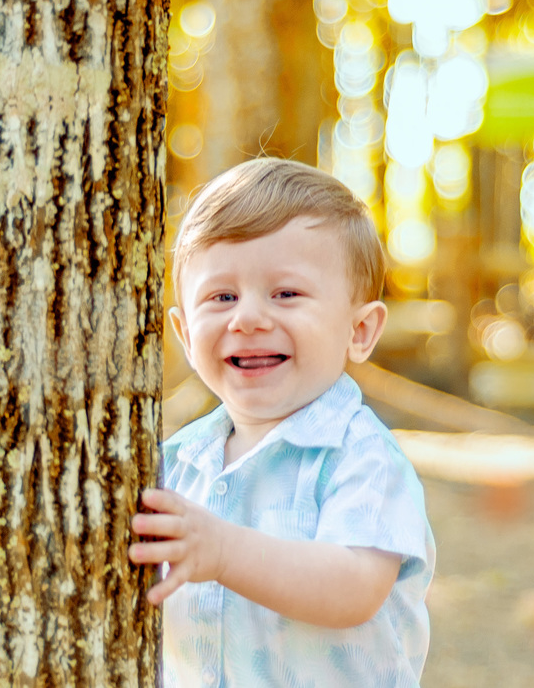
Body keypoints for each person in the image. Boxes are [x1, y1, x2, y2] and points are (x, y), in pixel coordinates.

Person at [128, 157, 435, 687]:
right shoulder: (173, 463)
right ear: (185, 334)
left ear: (360, 330)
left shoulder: (362, 457)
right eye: (222, 297)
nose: (247, 318)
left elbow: (353, 589)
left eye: (286, 294)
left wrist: (222, 551)